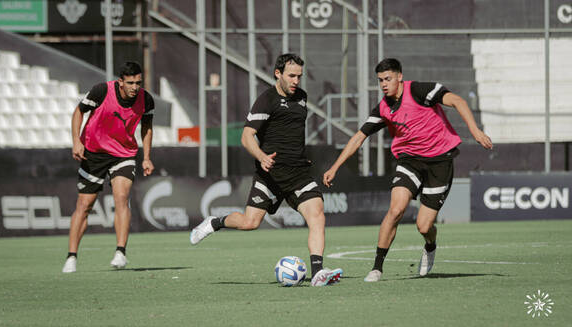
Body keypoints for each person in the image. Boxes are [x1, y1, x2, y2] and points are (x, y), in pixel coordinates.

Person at [323, 58, 493, 282]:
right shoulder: (384, 108)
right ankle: (376, 268)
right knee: (395, 210)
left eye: (388, 79)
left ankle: (430, 246)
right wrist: (335, 167)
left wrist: (475, 130)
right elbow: (359, 137)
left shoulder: (420, 90)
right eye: (380, 80)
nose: (384, 84)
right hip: (409, 161)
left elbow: (457, 100)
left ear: (399, 77)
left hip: (440, 162)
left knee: (424, 226)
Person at [190, 53, 343, 286]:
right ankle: (214, 222)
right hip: (270, 175)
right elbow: (246, 136)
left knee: (317, 214)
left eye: (299, 77)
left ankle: (318, 272)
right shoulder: (266, 100)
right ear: (278, 74)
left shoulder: (301, 98)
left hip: (298, 173)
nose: (296, 81)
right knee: (249, 223)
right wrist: (261, 157)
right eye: (291, 76)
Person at [62, 61, 155, 273]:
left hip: (124, 154)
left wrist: (146, 157)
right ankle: (71, 256)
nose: (135, 87)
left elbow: (147, 127)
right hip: (93, 153)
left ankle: (121, 252)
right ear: (120, 82)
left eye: (138, 83)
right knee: (84, 206)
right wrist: (76, 141)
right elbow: (79, 112)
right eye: (130, 83)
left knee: (121, 197)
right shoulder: (101, 91)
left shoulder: (146, 100)